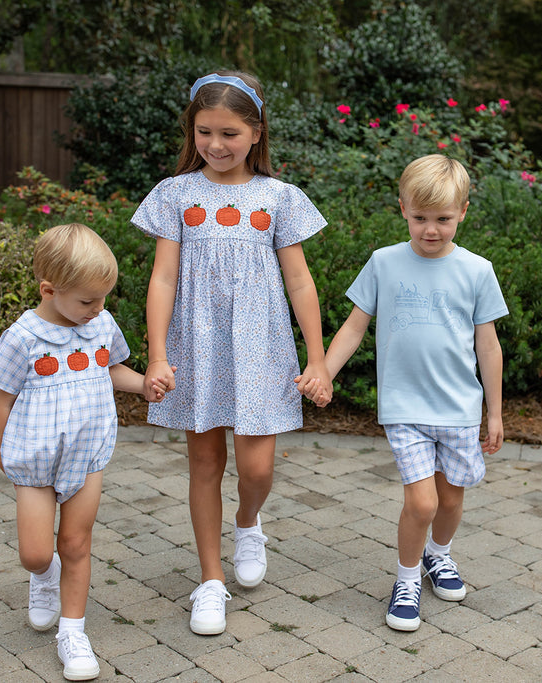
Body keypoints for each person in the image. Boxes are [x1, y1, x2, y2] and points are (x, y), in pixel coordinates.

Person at [131, 70, 332, 635]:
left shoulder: (279, 198)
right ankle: (210, 581)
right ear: (191, 131)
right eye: (204, 132)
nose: (215, 145)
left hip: (261, 349)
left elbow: (300, 282)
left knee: (257, 468)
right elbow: (163, 279)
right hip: (196, 348)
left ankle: (248, 520)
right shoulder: (175, 194)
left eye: (229, 134)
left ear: (256, 133)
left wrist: (317, 359)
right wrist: (157, 354)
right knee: (204, 465)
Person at [302, 154, 507, 632]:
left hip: (458, 409)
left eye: (443, 219)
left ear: (463, 212)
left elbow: (489, 346)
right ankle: (408, 578)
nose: (431, 230)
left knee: (450, 501)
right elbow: (354, 327)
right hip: (405, 408)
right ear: (402, 209)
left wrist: (494, 413)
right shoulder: (384, 262)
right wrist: (324, 372)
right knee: (422, 503)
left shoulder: (477, 270)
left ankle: (439, 554)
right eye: (420, 218)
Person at [0, 223, 169, 680]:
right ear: (49, 290)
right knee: (35, 553)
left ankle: (73, 633)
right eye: (87, 301)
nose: (98, 308)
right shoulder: (22, 338)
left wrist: (144, 384)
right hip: (34, 460)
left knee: (75, 543)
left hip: (87, 457)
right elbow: (3, 397)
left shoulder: (100, 325)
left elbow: (111, 369)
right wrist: (1, 450)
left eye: (103, 298)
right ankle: (43, 577)